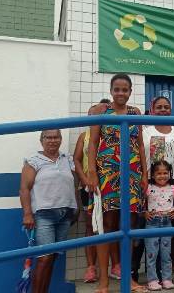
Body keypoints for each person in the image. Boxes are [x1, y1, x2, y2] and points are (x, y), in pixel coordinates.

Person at [86, 73, 147, 293]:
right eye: (117, 89)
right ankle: (103, 282)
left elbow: (140, 145)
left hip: (131, 172)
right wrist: (92, 172)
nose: (121, 93)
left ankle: (128, 280)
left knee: (128, 226)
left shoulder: (135, 113)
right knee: (107, 225)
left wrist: (144, 175)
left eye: (125, 90)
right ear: (111, 91)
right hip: (107, 172)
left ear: (130, 92)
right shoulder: (101, 112)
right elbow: (92, 144)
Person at [20, 129, 78, 293]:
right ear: (41, 140)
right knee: (44, 258)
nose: (52, 140)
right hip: (44, 216)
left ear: (61, 139)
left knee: (52, 258)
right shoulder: (33, 161)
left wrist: (77, 207)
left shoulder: (67, 159)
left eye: (56, 137)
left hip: (65, 215)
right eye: (48, 137)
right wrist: (27, 214)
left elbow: (73, 185)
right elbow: (24, 189)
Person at [143, 96, 174, 274]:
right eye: (159, 107)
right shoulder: (145, 129)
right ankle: (150, 268)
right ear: (152, 110)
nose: (163, 110)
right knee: (150, 225)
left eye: (166, 107)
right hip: (150, 183)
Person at [73, 99, 118, 284]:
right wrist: (86, 180)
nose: (96, 118)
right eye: (92, 115)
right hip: (89, 187)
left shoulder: (113, 134)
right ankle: (91, 268)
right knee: (92, 227)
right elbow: (76, 160)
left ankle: (115, 266)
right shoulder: (84, 136)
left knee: (113, 225)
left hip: (109, 186)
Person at [144, 160, 174, 291]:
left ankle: (167, 279)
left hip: (167, 223)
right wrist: (145, 213)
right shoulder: (148, 188)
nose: (162, 176)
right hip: (152, 224)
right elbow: (139, 203)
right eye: (159, 173)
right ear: (153, 175)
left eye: (165, 173)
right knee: (151, 254)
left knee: (166, 254)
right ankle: (152, 280)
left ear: (170, 173)